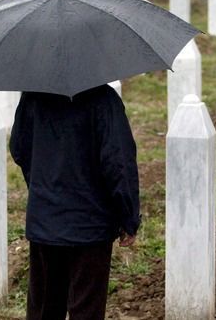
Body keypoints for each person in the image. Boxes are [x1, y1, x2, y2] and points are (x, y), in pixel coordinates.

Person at [10, 84, 140, 320]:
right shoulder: (104, 99)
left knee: (44, 308)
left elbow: (19, 148)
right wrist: (128, 217)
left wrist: (42, 188)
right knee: (86, 309)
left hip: (45, 220)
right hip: (90, 225)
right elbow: (118, 162)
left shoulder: (33, 96)